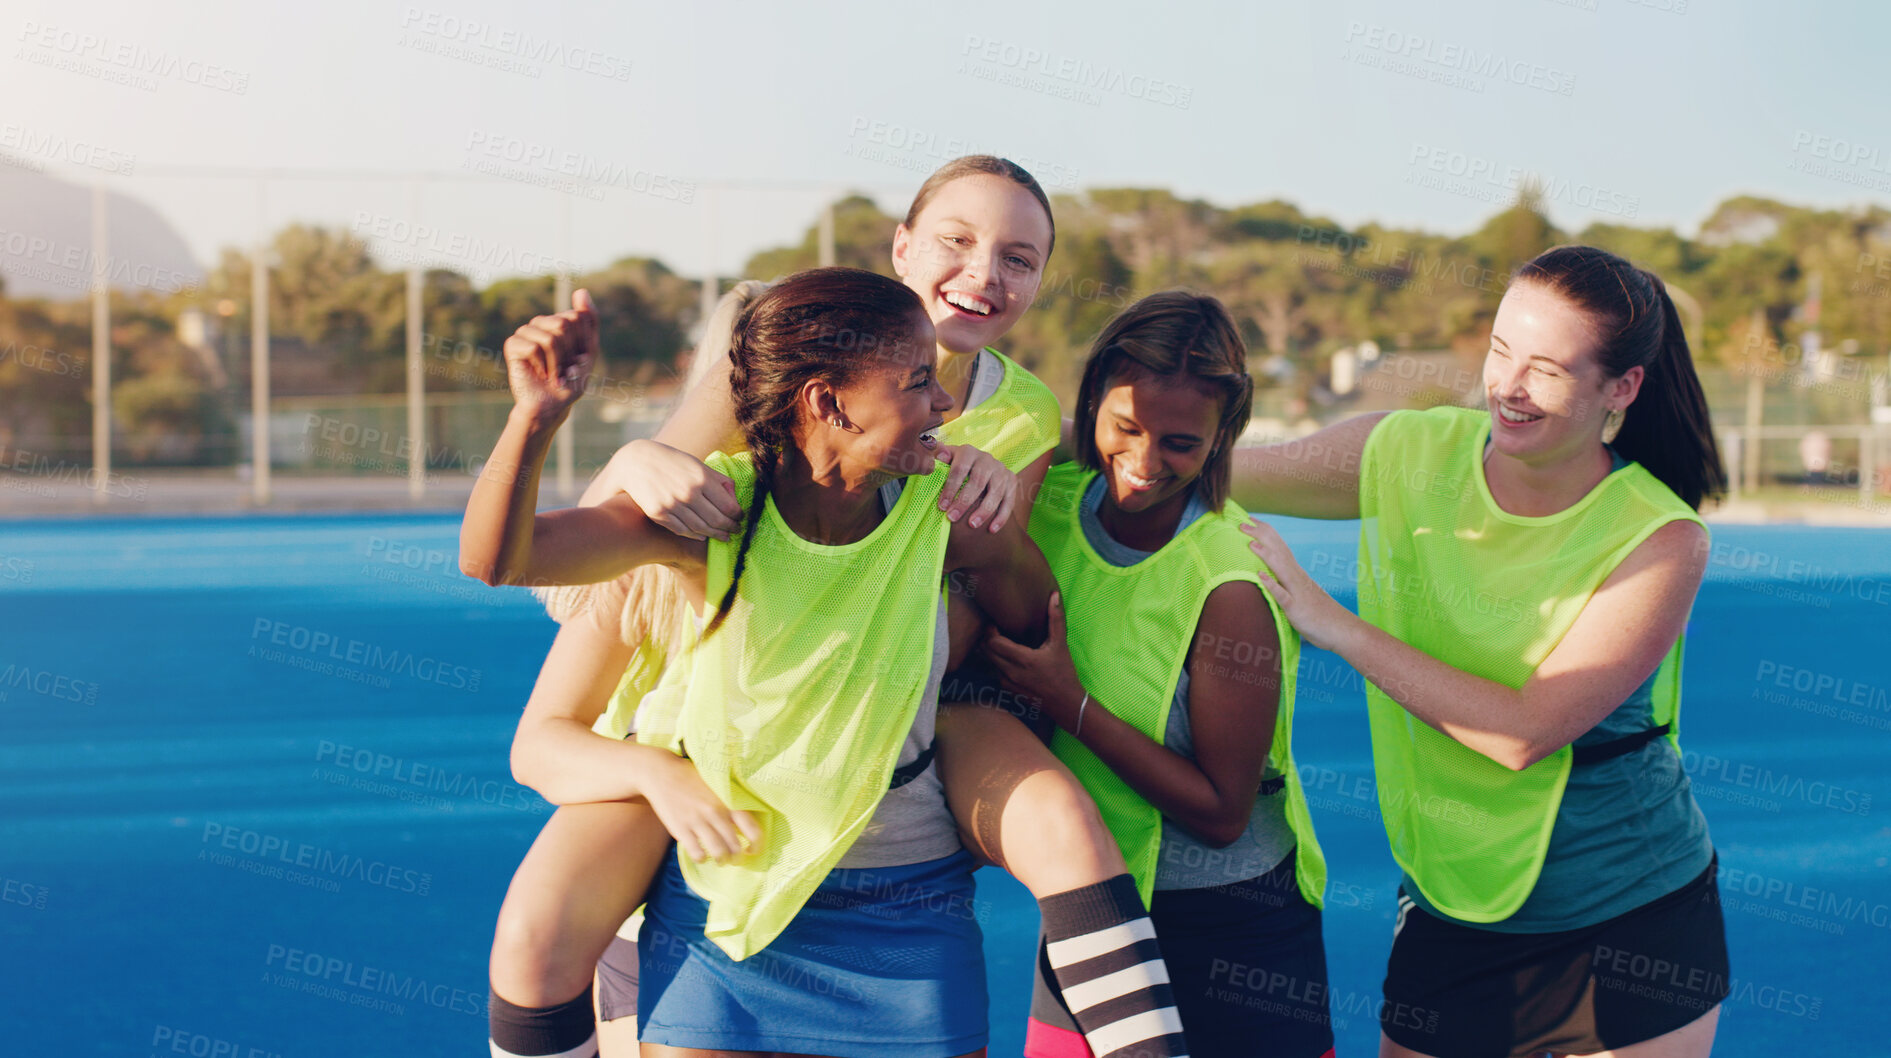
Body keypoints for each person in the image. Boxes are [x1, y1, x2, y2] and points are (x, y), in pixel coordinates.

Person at [468, 266, 1191, 1058]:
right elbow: (502, 559)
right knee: (532, 939)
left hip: (903, 917)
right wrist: (535, 420)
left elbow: (1028, 616)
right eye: (919, 383)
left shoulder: (941, 507)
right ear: (826, 402)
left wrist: (994, 525)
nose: (946, 405)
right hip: (728, 904)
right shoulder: (710, 515)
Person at [1237, 245, 1730, 1058]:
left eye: (1545, 368)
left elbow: (1521, 733)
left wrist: (1332, 623)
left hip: (1632, 917)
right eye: (1500, 350)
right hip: (1456, 903)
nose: (1507, 386)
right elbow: (1195, 465)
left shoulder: (1661, 537)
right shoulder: (1403, 452)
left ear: (1621, 387)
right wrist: (1010, 439)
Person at [983, 292, 1333, 1058]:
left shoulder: (1229, 585)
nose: (1143, 464)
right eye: (1125, 428)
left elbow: (1218, 813)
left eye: (1179, 442)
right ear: (1090, 409)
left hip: (1230, 930)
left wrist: (1066, 701)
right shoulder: (1047, 504)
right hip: (1088, 904)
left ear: (1222, 436)